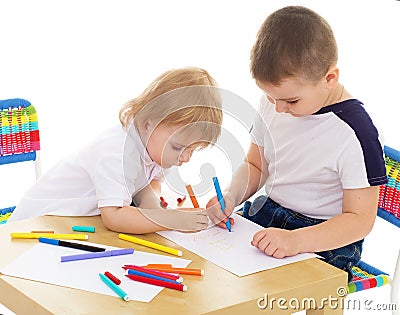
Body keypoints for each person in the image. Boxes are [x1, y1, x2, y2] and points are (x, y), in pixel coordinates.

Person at [206, 6, 387, 279]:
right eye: (269, 97)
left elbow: (359, 220)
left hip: (325, 237)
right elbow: (255, 164)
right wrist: (231, 196)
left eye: (290, 101)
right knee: (215, 273)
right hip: (269, 213)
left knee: (269, 287)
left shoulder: (356, 133)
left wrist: (297, 241)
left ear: (330, 79)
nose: (278, 109)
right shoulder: (277, 102)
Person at [9, 67, 223, 234]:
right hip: (33, 225)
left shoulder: (155, 146)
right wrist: (170, 220)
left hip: (72, 224)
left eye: (193, 150)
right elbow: (115, 216)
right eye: (179, 147)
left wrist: (153, 207)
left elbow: (146, 183)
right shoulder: (118, 151)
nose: (185, 158)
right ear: (149, 122)